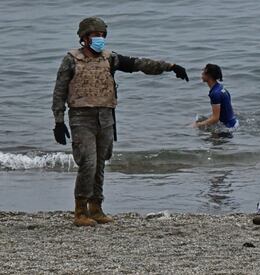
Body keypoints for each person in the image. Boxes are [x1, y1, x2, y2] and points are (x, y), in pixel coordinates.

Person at [52, 17, 189, 226]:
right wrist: (59, 120)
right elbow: (60, 90)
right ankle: (80, 211)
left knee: (99, 164)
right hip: (82, 117)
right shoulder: (71, 59)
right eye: (94, 35)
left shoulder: (110, 59)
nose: (99, 39)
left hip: (106, 117)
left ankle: (96, 208)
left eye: (101, 35)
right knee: (87, 162)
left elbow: (139, 64)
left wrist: (170, 66)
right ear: (84, 38)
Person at [192, 64, 239, 136]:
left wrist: (198, 125)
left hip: (228, 128)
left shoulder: (215, 93)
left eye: (204, 72)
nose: (202, 73)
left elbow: (215, 119)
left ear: (209, 75)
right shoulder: (221, 88)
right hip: (234, 122)